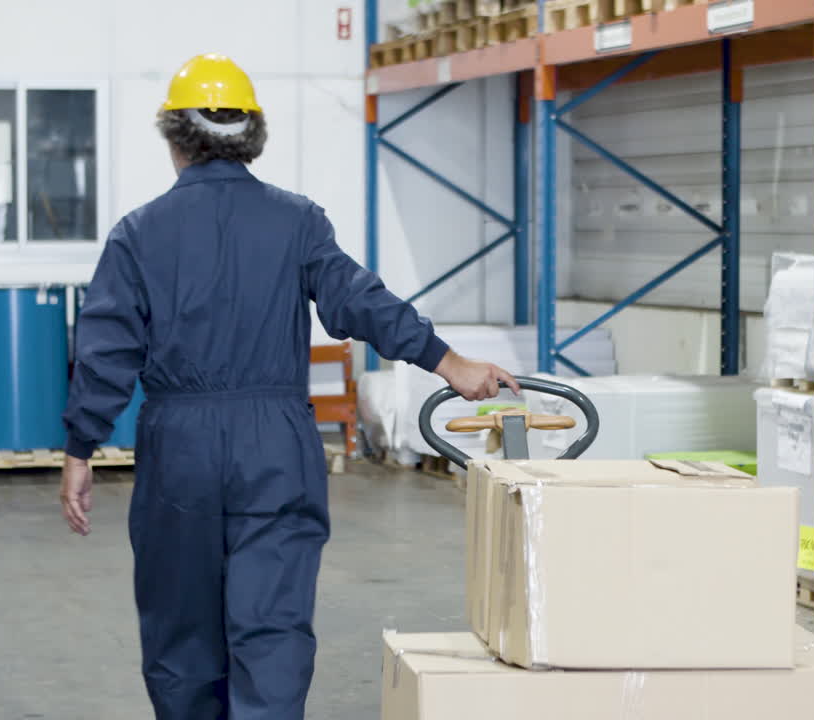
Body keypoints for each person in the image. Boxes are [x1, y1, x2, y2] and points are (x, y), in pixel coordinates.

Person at [59, 53, 519, 719]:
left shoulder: (139, 234)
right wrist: (450, 363)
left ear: (174, 137)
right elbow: (361, 302)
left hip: (180, 448)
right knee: (271, 628)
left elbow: (105, 351)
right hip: (274, 445)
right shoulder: (297, 221)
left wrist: (80, 449)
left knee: (180, 634)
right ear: (251, 134)